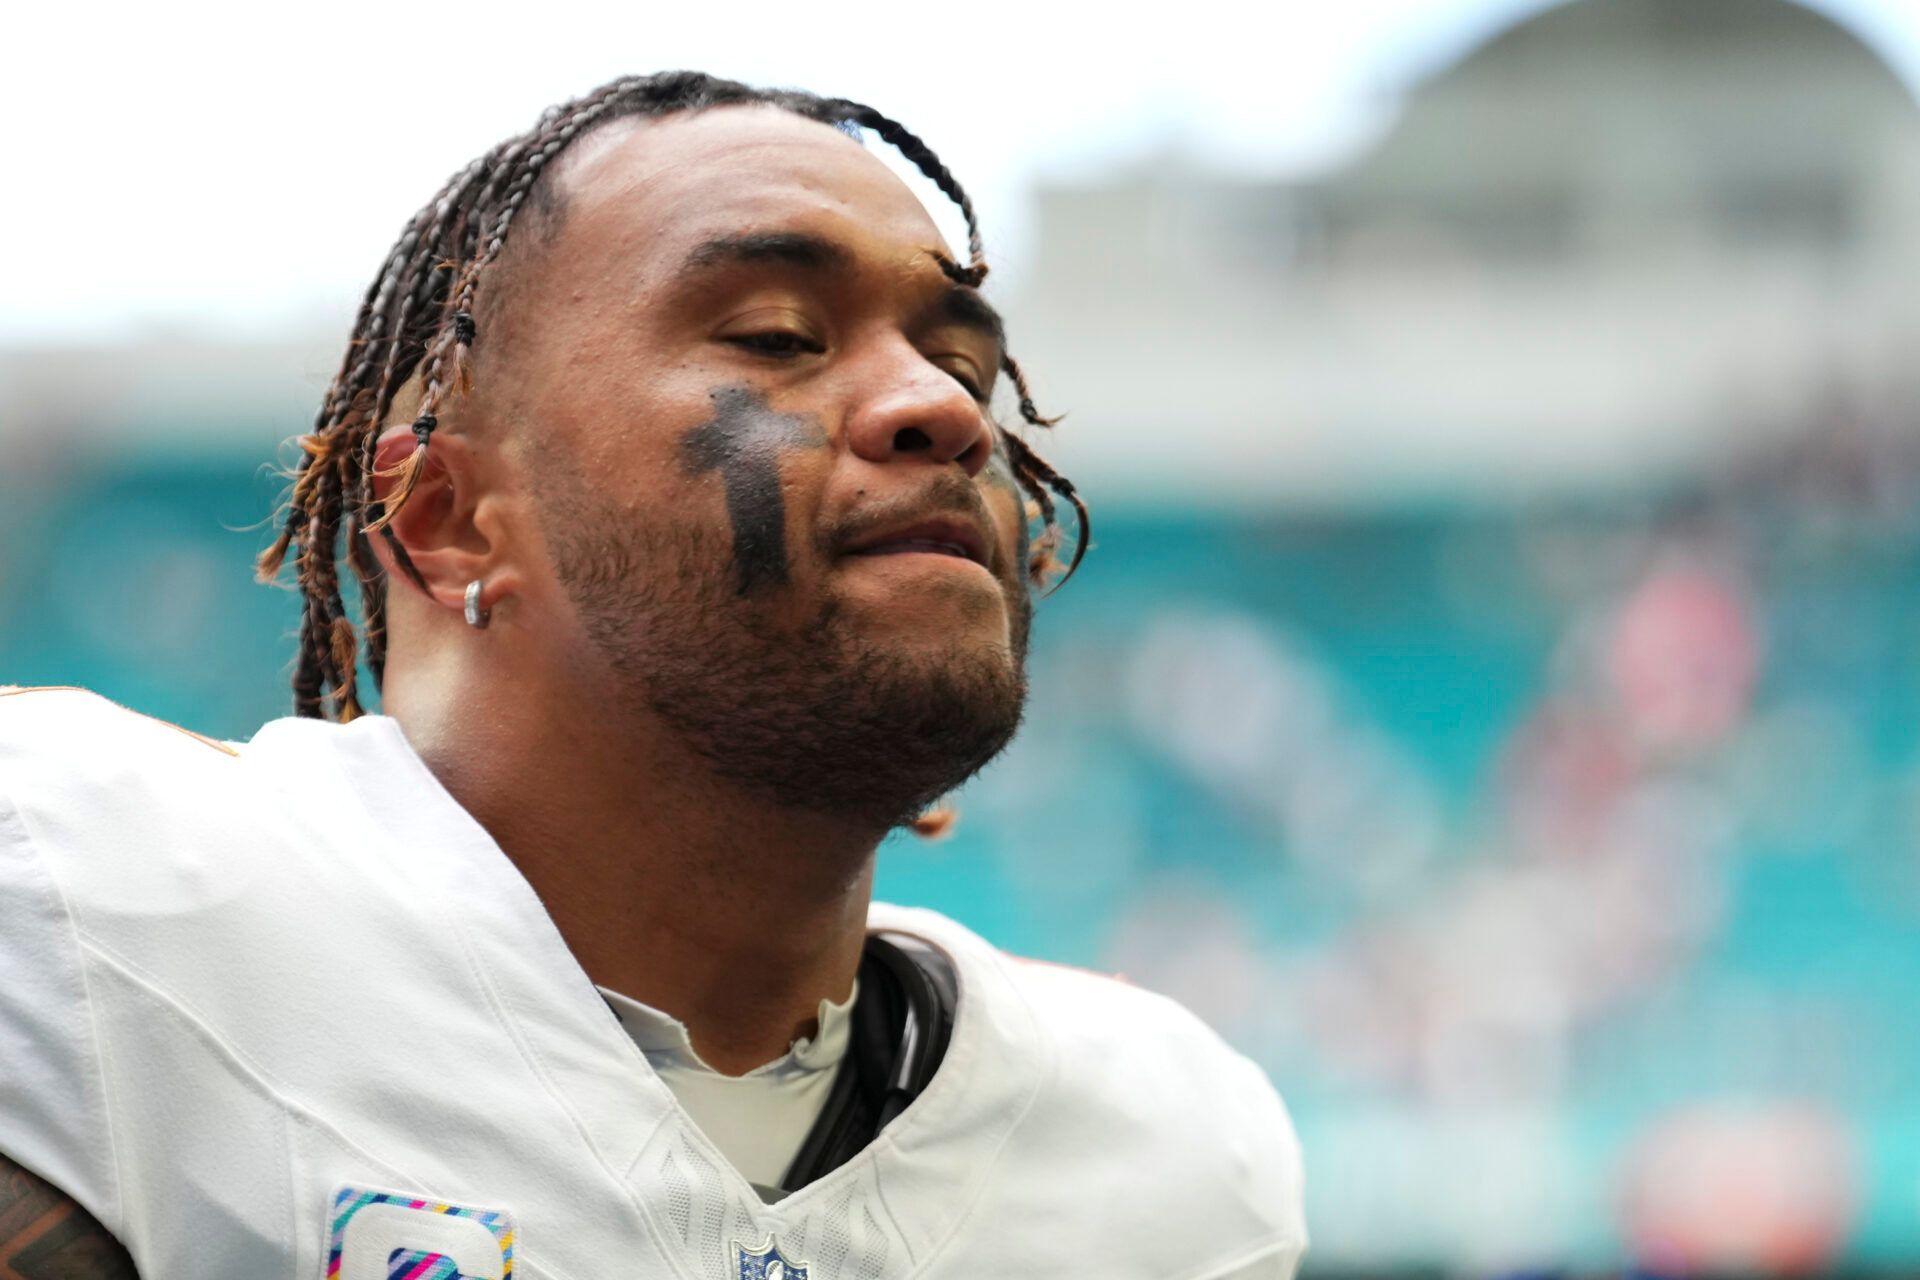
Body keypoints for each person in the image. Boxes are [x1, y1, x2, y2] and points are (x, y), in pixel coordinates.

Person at [0, 72, 1306, 1279]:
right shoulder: (74, 908)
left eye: (964, 365)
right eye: (781, 336)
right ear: (451, 521)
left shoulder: (1171, 1163)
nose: (950, 410)